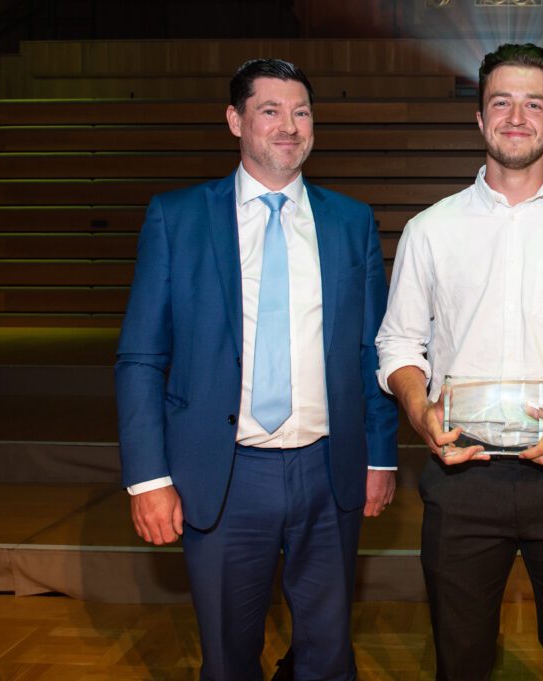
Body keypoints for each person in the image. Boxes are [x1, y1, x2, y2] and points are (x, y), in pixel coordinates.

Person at [115, 58, 397, 681]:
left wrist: (380, 455)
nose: (289, 126)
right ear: (235, 121)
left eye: (301, 112)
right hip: (220, 474)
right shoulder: (177, 217)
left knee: (328, 655)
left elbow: (371, 349)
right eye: (270, 110)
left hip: (329, 471)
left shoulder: (350, 221)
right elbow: (141, 356)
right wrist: (147, 477)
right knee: (227, 655)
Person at [375, 43, 543, 680]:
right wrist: (419, 410)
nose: (516, 116)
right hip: (462, 470)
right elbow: (398, 344)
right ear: (479, 119)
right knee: (460, 665)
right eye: (501, 102)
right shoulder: (430, 229)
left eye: (533, 104)